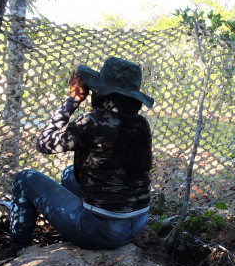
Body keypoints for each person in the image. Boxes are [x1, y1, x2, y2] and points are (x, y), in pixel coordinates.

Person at [9, 57, 154, 255]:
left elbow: (44, 143)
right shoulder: (141, 124)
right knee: (69, 174)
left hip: (101, 231)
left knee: (23, 179)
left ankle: (18, 252)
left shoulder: (92, 122)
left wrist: (73, 101)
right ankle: (85, 216)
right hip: (137, 224)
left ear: (103, 93)